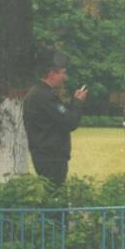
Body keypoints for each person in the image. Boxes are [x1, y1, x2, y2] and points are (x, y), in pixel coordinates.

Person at [22, 49, 88, 185]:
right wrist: (78, 103)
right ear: (52, 74)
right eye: (63, 73)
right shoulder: (45, 97)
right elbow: (70, 122)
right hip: (51, 158)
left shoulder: (40, 93)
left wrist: (73, 102)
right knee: (54, 196)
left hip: (47, 156)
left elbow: (61, 115)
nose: (65, 77)